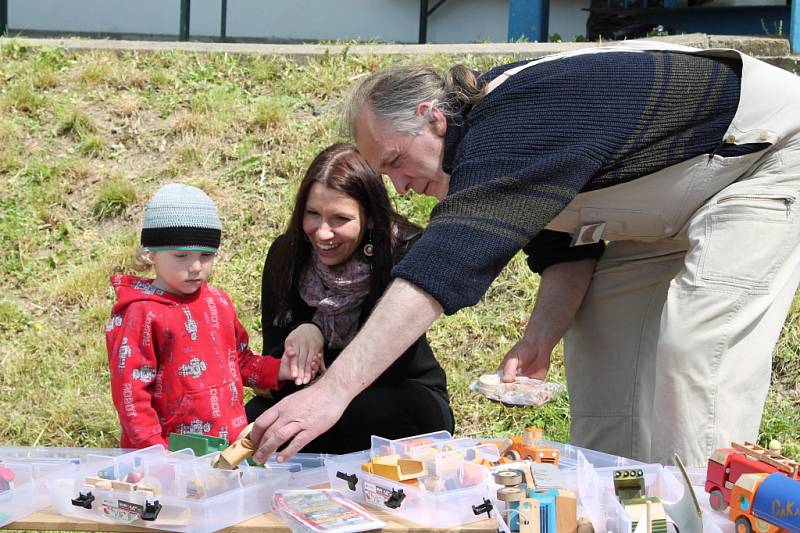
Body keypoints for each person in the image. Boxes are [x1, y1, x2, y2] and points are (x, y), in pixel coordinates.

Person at [250, 41, 800, 468]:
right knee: (602, 351)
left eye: (394, 161)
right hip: (659, 203)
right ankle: (623, 507)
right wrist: (539, 339)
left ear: (432, 119)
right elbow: (565, 247)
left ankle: (707, 512)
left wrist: (334, 391)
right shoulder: (495, 147)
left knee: (695, 348)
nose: (395, 186)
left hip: (760, 156)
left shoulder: (511, 128)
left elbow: (445, 263)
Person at [246, 143, 454, 454]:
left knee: (366, 413)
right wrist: (301, 337)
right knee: (257, 420)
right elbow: (274, 370)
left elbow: (391, 361)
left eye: (340, 219)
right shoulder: (286, 254)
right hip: (314, 393)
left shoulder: (405, 252)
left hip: (396, 391)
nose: (323, 233)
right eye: (312, 214)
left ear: (369, 218)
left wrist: (322, 340)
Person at [105, 183, 313, 448]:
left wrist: (277, 369)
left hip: (228, 446)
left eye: (206, 255)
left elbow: (239, 361)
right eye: (181, 256)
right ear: (151, 254)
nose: (195, 267)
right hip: (171, 457)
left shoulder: (217, 302)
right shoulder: (140, 313)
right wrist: (153, 453)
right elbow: (131, 395)